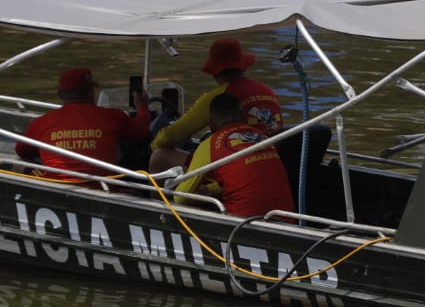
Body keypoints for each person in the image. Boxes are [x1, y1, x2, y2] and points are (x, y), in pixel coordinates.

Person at [148, 37, 284, 173]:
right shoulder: (268, 91)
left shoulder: (217, 98)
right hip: (274, 163)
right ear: (243, 67)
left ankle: (156, 194)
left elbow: (170, 137)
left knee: (159, 157)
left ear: (215, 72)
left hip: (236, 167)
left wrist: (154, 144)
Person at [175, 93, 295, 219]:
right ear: (243, 116)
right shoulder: (263, 137)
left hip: (242, 224)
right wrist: (211, 189)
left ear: (211, 123)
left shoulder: (209, 144)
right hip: (286, 220)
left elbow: (181, 197)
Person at [18, 67, 151, 179]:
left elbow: (22, 151)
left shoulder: (41, 122)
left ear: (60, 94)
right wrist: (142, 107)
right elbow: (141, 131)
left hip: (56, 186)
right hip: (102, 189)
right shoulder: (112, 116)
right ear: (90, 92)